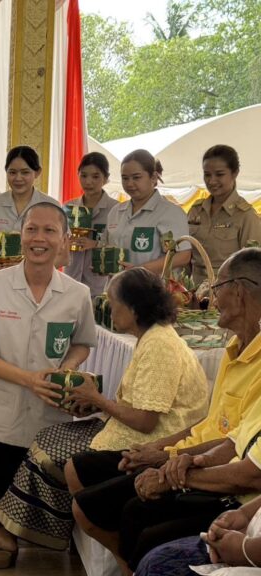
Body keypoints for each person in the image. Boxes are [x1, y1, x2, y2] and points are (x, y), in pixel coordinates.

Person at [0, 267, 209, 569]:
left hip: (148, 438)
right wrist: (89, 403)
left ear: (133, 309)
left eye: (114, 303)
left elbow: (146, 421)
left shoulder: (157, 343)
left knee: (52, 453)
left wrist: (95, 399)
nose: (110, 310)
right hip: (12, 409)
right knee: (37, 445)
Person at [70, 248, 261, 575]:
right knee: (87, 479)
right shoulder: (233, 349)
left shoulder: (163, 344)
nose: (211, 299)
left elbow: (248, 467)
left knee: (136, 519)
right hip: (200, 460)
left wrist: (172, 465)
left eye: (217, 289)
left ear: (239, 293)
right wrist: (172, 456)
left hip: (229, 486)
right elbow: (228, 432)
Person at [0, 202, 96, 515]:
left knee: (40, 502)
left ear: (65, 239)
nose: (39, 238)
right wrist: (29, 380)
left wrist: (67, 368)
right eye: (31, 229)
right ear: (20, 235)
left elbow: (82, 344)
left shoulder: (77, 294)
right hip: (0, 416)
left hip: (50, 416)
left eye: (50, 230)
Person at [104, 149, 191, 274]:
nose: (129, 184)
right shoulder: (116, 211)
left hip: (153, 284)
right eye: (125, 178)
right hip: (118, 283)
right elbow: (106, 246)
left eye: (136, 177)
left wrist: (140, 270)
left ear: (153, 177)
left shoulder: (171, 212)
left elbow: (183, 256)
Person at [0, 145, 60, 271]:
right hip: (1, 276)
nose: (18, 178)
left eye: (25, 172)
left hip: (38, 278)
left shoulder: (52, 206)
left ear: (37, 172)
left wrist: (30, 270)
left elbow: (62, 255)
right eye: (12, 172)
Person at [188, 145, 261, 285]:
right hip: (193, 290)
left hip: (226, 289)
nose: (211, 181)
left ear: (235, 173)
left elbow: (252, 265)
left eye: (219, 174)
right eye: (207, 174)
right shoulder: (196, 210)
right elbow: (186, 254)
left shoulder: (245, 215)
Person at [136, 494, 261, 576]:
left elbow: (250, 475)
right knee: (155, 558)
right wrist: (244, 514)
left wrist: (247, 551)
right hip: (247, 535)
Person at [63, 152, 119, 298]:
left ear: (105, 178)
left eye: (95, 176)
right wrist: (65, 242)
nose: (88, 182)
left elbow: (121, 247)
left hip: (101, 285)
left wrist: (95, 244)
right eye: (84, 175)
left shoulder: (117, 209)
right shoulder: (69, 207)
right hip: (70, 280)